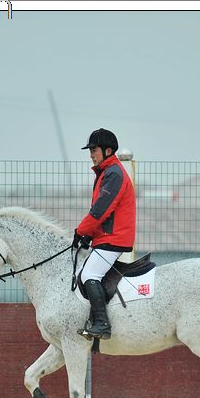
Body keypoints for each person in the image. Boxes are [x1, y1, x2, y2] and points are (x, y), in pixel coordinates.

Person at [73, 128, 136, 340]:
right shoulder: (107, 172)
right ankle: (94, 320)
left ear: (108, 150)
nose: (91, 154)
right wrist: (89, 236)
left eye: (94, 149)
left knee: (90, 274)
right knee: (85, 271)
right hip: (106, 237)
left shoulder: (113, 173)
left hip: (114, 238)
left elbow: (100, 209)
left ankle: (102, 323)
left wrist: (82, 231)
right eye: (90, 149)